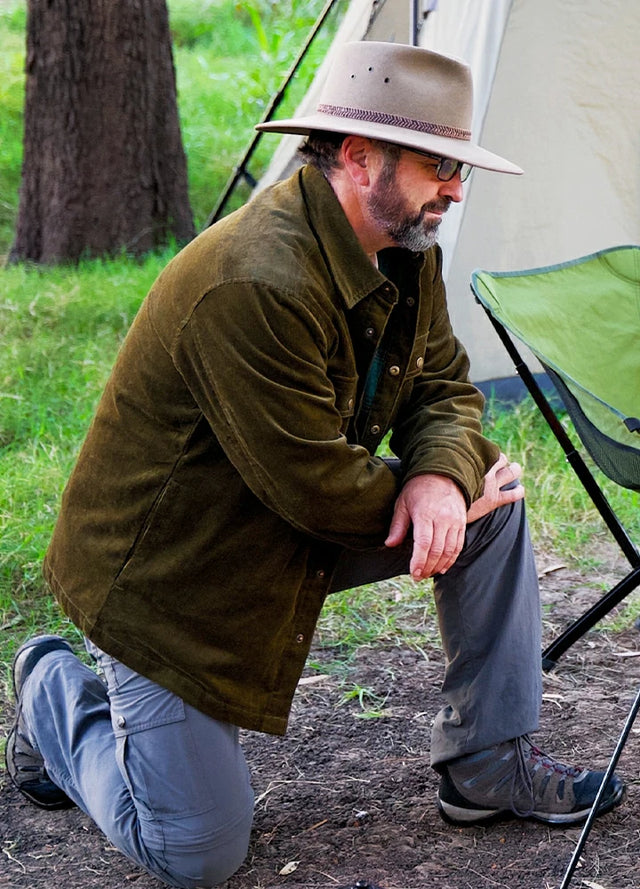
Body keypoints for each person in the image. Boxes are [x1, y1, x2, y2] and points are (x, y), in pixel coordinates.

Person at [5, 41, 624, 888]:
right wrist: (439, 496)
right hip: (168, 582)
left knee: (489, 497)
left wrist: (441, 476)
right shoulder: (252, 280)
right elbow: (312, 488)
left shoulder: (408, 251)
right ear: (359, 155)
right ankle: (52, 688)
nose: (455, 187)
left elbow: (443, 387)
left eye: (459, 166)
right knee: (197, 853)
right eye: (439, 164)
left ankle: (488, 765)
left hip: (279, 527)